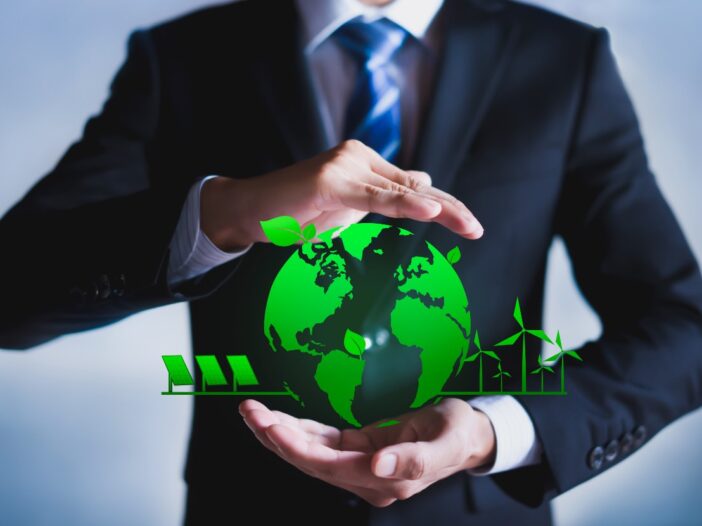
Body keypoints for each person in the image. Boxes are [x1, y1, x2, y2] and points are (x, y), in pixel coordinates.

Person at [1, 0, 701, 524]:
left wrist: (498, 428)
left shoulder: (562, 60)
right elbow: (12, 291)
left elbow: (683, 324)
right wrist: (227, 212)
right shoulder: (181, 59)